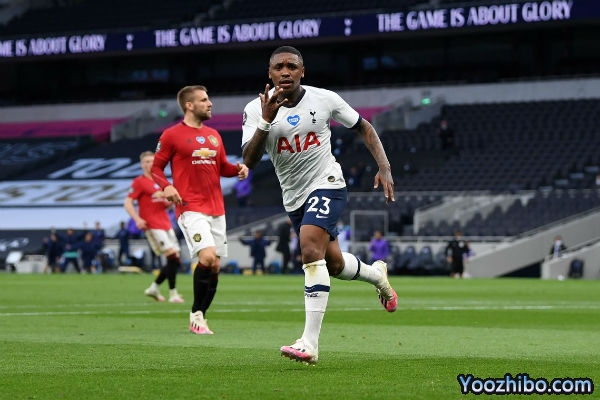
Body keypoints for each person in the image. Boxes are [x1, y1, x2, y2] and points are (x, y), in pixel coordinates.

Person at [241, 46, 398, 364]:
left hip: (328, 184)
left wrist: (384, 167)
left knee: (310, 248)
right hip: (294, 197)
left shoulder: (325, 99)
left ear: (302, 71)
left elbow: (364, 127)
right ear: (270, 73)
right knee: (334, 264)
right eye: (279, 67)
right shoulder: (255, 109)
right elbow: (249, 160)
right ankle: (377, 275)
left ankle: (309, 343)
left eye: (292, 66)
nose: (285, 71)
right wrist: (266, 122)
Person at [151, 85, 249, 334]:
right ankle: (196, 314)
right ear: (189, 105)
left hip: (216, 208)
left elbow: (222, 167)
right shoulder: (171, 135)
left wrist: (238, 169)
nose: (210, 103)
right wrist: (166, 187)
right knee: (206, 258)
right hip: (190, 207)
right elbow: (156, 168)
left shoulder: (214, 135)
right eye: (204, 100)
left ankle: (200, 316)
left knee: (215, 266)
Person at [124, 150, 185, 304]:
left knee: (175, 259)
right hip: (152, 224)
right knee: (172, 256)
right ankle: (173, 294)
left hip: (166, 223)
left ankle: (154, 288)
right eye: (146, 161)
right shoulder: (139, 182)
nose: (149, 164)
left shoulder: (161, 181)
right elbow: (128, 203)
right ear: (141, 165)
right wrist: (137, 219)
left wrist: (167, 199)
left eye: (152, 161)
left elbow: (167, 204)